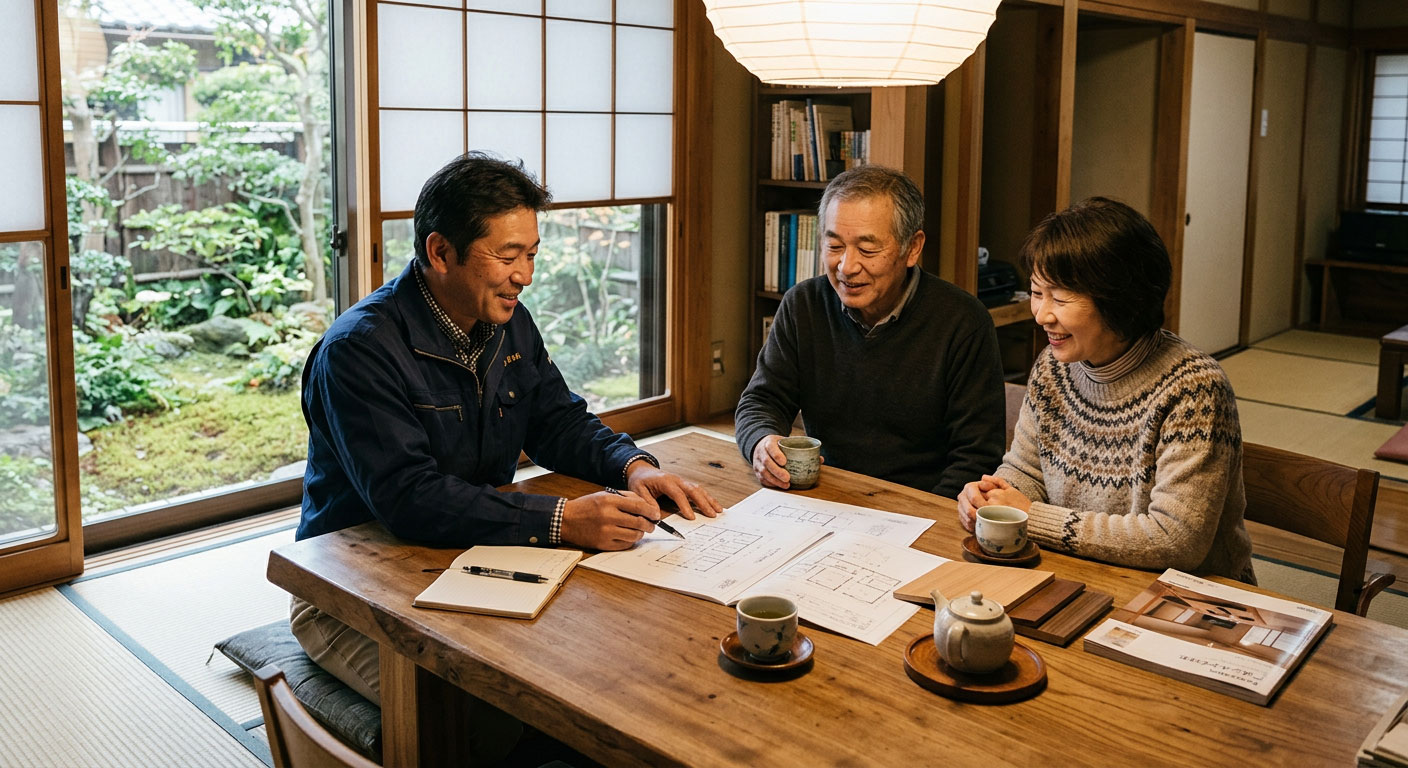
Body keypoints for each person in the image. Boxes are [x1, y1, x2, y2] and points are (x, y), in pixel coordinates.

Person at [293, 152, 721, 761]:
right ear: (441, 252)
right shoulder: (359, 350)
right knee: (483, 715)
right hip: (351, 586)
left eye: (532, 254)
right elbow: (410, 500)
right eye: (508, 255)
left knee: (600, 670)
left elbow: (558, 419)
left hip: (475, 553)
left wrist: (633, 467)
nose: (525, 276)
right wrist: (562, 520)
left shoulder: (507, 323)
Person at [956, 197, 1254, 583]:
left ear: (1119, 300)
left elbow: (1177, 539)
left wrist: (1033, 517)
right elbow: (1026, 469)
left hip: (1191, 594)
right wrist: (993, 497)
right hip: (1081, 572)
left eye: (1060, 298)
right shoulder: (1053, 368)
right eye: (1036, 292)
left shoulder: (1193, 389)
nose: (1042, 315)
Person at [734, 164, 1005, 499]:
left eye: (867, 249)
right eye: (834, 246)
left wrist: (928, 516)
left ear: (913, 248)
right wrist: (761, 442)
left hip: (920, 506)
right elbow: (762, 400)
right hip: (826, 497)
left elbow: (976, 458)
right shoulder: (803, 304)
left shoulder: (963, 322)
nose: (847, 267)